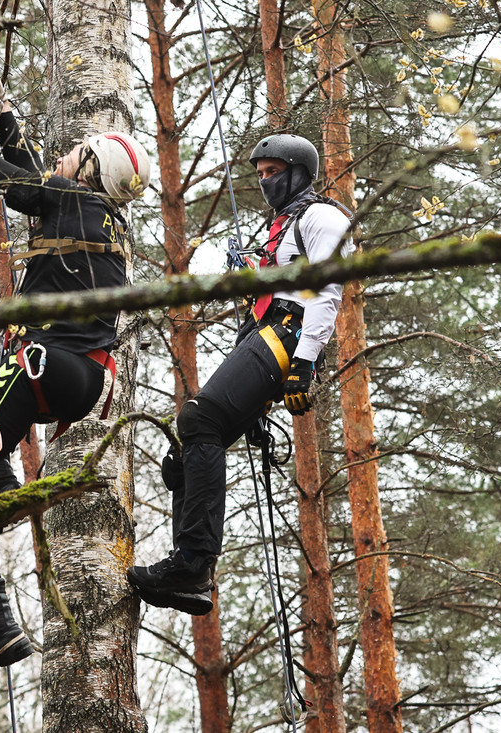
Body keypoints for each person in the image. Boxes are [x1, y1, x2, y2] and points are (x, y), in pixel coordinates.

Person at [0, 60, 151, 676]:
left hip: (46, 366)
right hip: (74, 378)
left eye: (77, 153)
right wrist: (5, 110)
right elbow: (32, 180)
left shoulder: (72, 198)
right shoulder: (98, 216)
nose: (67, 158)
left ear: (93, 170)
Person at [127, 133, 353, 615]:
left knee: (199, 421)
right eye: (261, 174)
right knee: (187, 445)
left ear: (297, 173)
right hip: (267, 332)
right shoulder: (280, 228)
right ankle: (189, 573)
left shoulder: (322, 217)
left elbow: (327, 292)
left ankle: (193, 561)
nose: (265, 181)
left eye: (274, 172)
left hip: (292, 333)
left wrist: (305, 363)